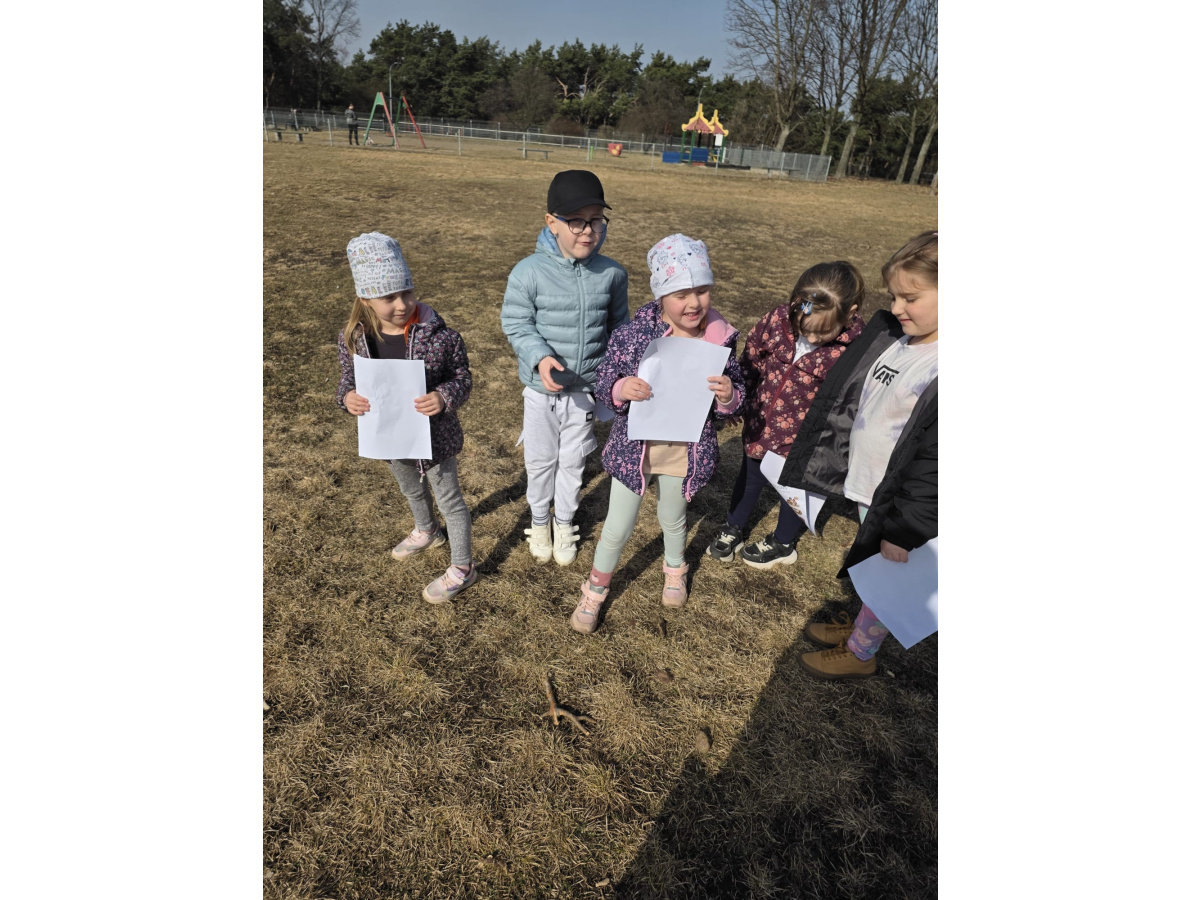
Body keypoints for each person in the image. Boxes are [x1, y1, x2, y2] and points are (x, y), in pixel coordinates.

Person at [777, 231, 938, 678]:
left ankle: (861, 653)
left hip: (899, 502)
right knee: (871, 564)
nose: (897, 307)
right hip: (872, 487)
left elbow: (937, 465)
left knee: (890, 575)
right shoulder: (900, 338)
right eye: (894, 296)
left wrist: (905, 528)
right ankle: (861, 625)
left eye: (910, 298)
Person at [570, 234, 745, 634]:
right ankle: (595, 590)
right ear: (661, 295)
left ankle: (675, 570)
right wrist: (621, 388)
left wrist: (729, 396)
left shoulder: (719, 339)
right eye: (681, 294)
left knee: (673, 517)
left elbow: (734, 396)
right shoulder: (634, 335)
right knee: (617, 526)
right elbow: (606, 380)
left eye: (702, 290)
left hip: (684, 451)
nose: (694, 303)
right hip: (636, 450)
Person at [335, 232, 476, 604]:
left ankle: (463, 567)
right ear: (366, 299)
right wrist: (347, 397)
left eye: (407, 292)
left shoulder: (441, 337)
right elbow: (348, 378)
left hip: (436, 438)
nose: (402, 304)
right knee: (410, 488)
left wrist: (443, 397)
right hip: (389, 436)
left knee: (450, 500)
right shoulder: (356, 338)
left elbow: (462, 377)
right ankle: (427, 530)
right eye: (389, 297)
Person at [500, 170, 629, 566]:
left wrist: (618, 371)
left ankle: (565, 521)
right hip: (542, 392)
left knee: (574, 461)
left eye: (595, 220)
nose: (587, 231)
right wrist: (539, 356)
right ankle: (540, 520)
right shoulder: (528, 272)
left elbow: (620, 329)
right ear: (551, 222)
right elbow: (516, 322)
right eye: (576, 221)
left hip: (585, 391)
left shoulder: (612, 273)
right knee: (540, 461)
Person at [707, 262, 866, 569]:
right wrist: (739, 400)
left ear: (850, 314)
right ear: (795, 305)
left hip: (803, 440)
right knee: (749, 477)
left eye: (823, 331)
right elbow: (751, 359)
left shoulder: (854, 351)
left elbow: (850, 401)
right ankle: (733, 526)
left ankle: (782, 542)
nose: (812, 337)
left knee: (793, 492)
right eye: (803, 328)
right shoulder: (777, 321)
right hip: (761, 424)